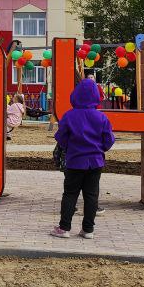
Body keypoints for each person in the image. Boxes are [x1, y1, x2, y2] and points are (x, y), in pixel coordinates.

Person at [51, 78, 115, 239]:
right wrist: (100, 149)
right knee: (91, 195)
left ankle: (64, 228)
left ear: (76, 95)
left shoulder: (69, 116)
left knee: (70, 194)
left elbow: (61, 137)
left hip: (74, 161)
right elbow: (109, 139)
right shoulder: (101, 117)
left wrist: (70, 146)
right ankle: (88, 229)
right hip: (95, 162)